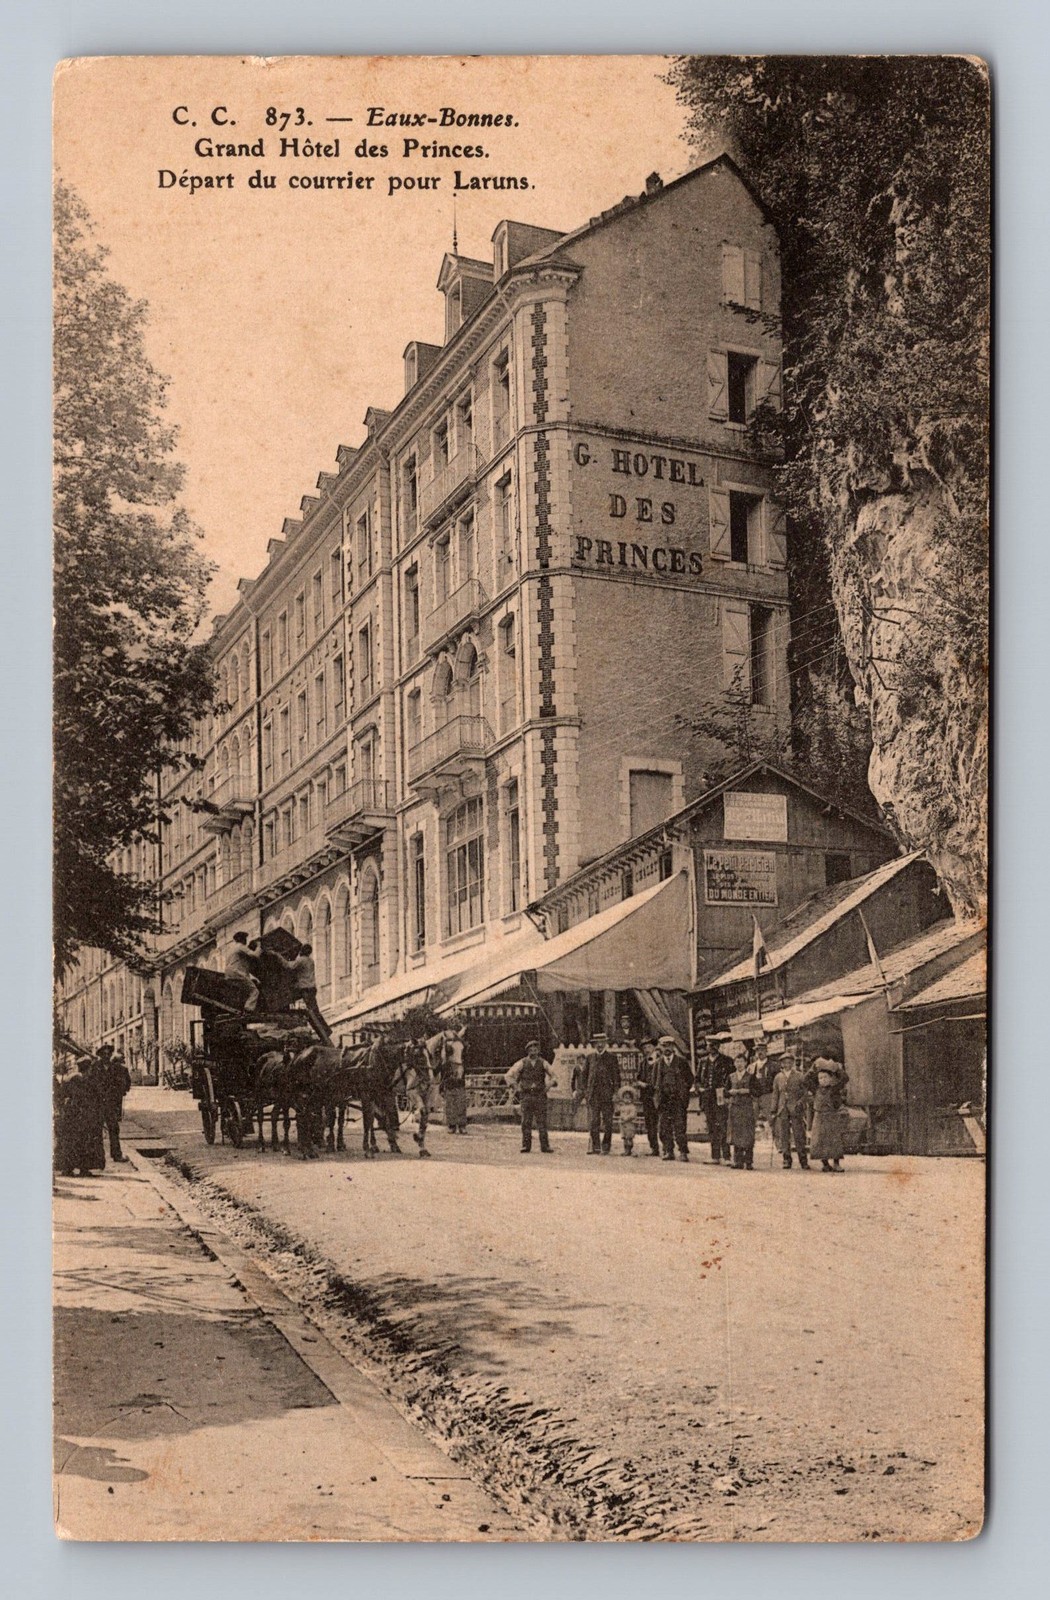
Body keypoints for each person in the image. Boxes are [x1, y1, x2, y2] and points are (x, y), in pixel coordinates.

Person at [54, 1057, 106, 1176]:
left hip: (71, 1115)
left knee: (71, 1141)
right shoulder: (88, 1080)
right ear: (88, 1068)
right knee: (85, 1142)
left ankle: (67, 1169)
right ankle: (83, 1169)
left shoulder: (69, 1078)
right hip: (84, 1115)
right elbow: (96, 1098)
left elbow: (61, 1095)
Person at [506, 1040, 556, 1153]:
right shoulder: (522, 1063)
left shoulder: (543, 1063)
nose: (533, 1051)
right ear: (527, 1051)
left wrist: (548, 1086)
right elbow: (509, 1075)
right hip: (527, 1096)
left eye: (535, 1049)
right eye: (531, 1049)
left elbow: (554, 1076)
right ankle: (526, 1145)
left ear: (538, 1051)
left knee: (542, 1122)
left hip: (540, 1095)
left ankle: (545, 1146)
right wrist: (516, 1087)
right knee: (526, 1122)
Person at [280, 943, 333, 1043]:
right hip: (311, 988)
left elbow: (288, 966)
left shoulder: (301, 960)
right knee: (315, 1011)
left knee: (311, 1011)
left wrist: (279, 957)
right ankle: (326, 1030)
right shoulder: (310, 960)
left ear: (302, 951)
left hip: (305, 989)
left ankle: (325, 1031)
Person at [805, 1055, 850, 1172]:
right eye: (820, 1078)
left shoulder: (834, 1089)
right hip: (819, 1116)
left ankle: (836, 1163)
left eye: (825, 1077)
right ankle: (825, 1163)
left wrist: (836, 1069)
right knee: (819, 1140)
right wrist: (813, 1068)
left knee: (834, 1140)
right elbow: (805, 1080)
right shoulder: (815, 1089)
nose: (823, 1080)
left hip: (832, 1116)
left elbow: (845, 1078)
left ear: (830, 1079)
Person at [769, 1048, 810, 1170]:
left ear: (793, 1063)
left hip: (795, 1108)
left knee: (799, 1134)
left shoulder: (799, 1076)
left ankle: (803, 1160)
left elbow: (805, 1093)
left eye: (789, 1062)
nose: (787, 1065)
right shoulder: (778, 1077)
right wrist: (773, 1110)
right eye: (784, 1062)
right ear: (781, 1064)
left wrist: (800, 1103)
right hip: (782, 1109)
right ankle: (786, 1159)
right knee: (784, 1135)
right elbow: (775, 1094)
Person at [654, 1035, 693, 1162]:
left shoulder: (681, 1062)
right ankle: (668, 1150)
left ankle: (683, 1151)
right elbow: (654, 1081)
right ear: (660, 1047)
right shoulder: (658, 1064)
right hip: (664, 1100)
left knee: (680, 1126)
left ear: (673, 1046)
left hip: (678, 1100)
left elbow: (690, 1079)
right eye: (664, 1046)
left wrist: (683, 1093)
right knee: (664, 1127)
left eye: (669, 1046)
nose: (667, 1048)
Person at [581, 1034, 621, 1155]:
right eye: (597, 1042)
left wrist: (615, 1093)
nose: (599, 1044)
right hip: (593, 1095)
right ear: (594, 1044)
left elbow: (617, 1078)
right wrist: (585, 1092)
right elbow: (584, 1077)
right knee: (594, 1121)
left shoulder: (612, 1058)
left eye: (602, 1042)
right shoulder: (590, 1058)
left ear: (605, 1043)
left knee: (608, 1122)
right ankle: (596, 1146)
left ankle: (606, 1146)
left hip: (607, 1095)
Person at [697, 1039, 734, 1164]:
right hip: (707, 1097)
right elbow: (697, 1079)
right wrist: (700, 1089)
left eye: (714, 1046)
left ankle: (727, 1156)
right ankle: (715, 1156)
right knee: (711, 1126)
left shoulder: (727, 1061)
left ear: (718, 1046)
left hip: (720, 1096)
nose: (712, 1048)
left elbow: (731, 1078)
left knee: (723, 1125)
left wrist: (726, 1091)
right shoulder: (702, 1062)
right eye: (709, 1045)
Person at [98, 1048, 132, 1162]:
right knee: (96, 1131)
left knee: (114, 1129)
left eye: (108, 1054)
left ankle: (116, 1155)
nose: (106, 1056)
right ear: (100, 1056)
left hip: (111, 1104)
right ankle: (98, 1158)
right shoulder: (95, 1068)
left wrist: (118, 1092)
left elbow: (122, 1083)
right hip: (97, 1105)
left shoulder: (116, 1069)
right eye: (104, 1054)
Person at [727, 1055, 761, 1169]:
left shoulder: (751, 1077)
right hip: (735, 1108)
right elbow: (725, 1091)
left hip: (747, 1108)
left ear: (745, 1063)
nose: (739, 1064)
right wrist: (730, 1092)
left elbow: (757, 1091)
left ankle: (749, 1161)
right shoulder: (730, 1076)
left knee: (748, 1134)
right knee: (736, 1134)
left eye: (741, 1062)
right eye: (737, 1062)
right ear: (734, 1063)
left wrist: (747, 1090)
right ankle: (738, 1161)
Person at [636, 1040, 661, 1156]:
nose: (646, 1050)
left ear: (654, 1048)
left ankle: (667, 1147)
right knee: (650, 1123)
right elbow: (638, 1078)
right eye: (645, 1048)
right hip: (647, 1096)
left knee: (662, 1122)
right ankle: (654, 1148)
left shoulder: (661, 1060)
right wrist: (640, 1083)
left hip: (660, 1096)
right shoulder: (643, 1063)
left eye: (649, 1047)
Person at [224, 931, 260, 1011]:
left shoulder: (231, 949)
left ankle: (241, 1008)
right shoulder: (241, 947)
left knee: (243, 990)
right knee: (254, 991)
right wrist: (259, 946)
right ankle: (248, 1009)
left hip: (229, 974)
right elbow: (255, 955)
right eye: (245, 939)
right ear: (242, 939)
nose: (246, 941)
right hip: (237, 972)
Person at [617, 1082, 639, 1155]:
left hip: (630, 1124)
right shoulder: (622, 1106)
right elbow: (621, 1113)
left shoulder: (632, 1107)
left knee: (629, 1138)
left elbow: (632, 1115)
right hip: (623, 1124)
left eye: (628, 1098)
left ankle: (629, 1150)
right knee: (625, 1138)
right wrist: (621, 1118)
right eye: (625, 1098)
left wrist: (626, 1118)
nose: (627, 1099)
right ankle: (625, 1149)